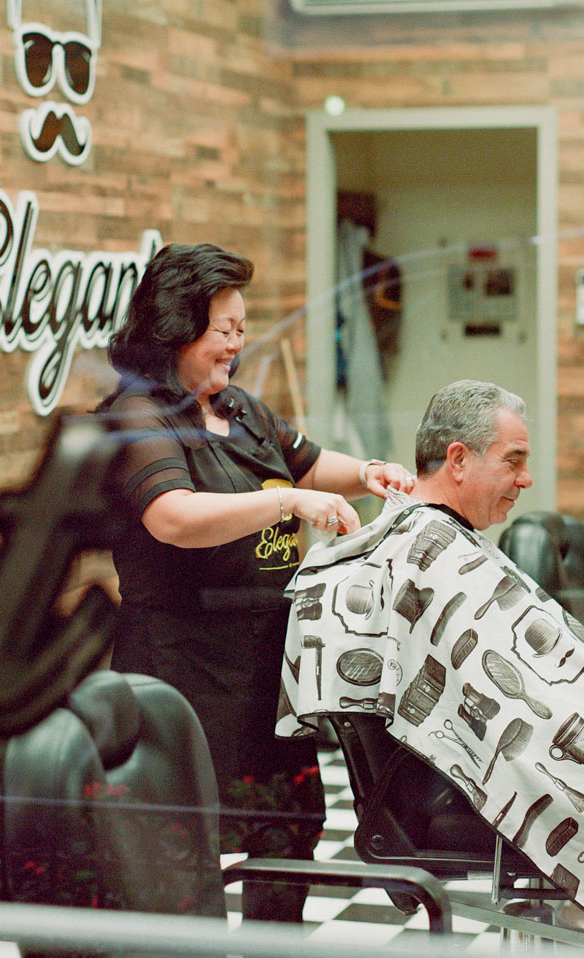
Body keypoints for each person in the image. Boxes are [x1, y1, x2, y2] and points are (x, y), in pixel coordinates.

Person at [276, 380, 584, 954]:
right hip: (461, 789)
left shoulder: (442, 539)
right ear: (458, 459)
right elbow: (522, 712)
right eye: (514, 461)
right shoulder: (427, 548)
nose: (526, 479)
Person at [97, 242, 415, 923]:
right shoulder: (136, 416)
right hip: (182, 672)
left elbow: (305, 460)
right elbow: (175, 519)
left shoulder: (238, 408)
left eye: (241, 330)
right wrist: (285, 505)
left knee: (285, 836)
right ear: (174, 329)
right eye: (224, 331)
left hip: (268, 672)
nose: (236, 345)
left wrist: (367, 474)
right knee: (184, 854)